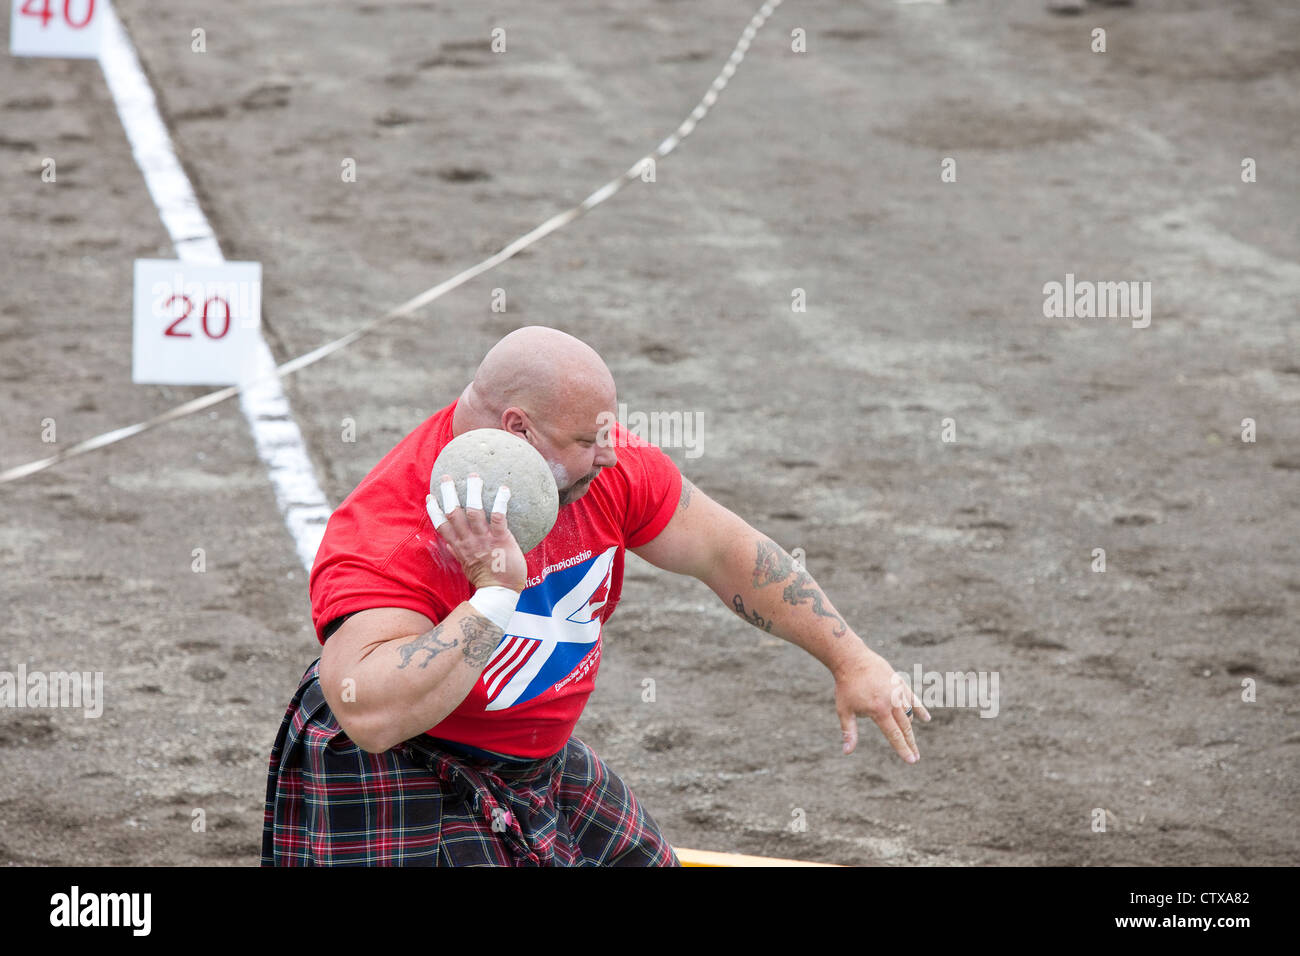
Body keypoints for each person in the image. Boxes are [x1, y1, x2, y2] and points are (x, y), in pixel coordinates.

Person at [261, 326, 929, 866]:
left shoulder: (597, 469)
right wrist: (494, 596)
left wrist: (852, 660)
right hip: (405, 760)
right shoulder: (390, 532)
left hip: (535, 762)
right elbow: (370, 716)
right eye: (587, 441)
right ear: (518, 430)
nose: (609, 457)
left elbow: (727, 552)